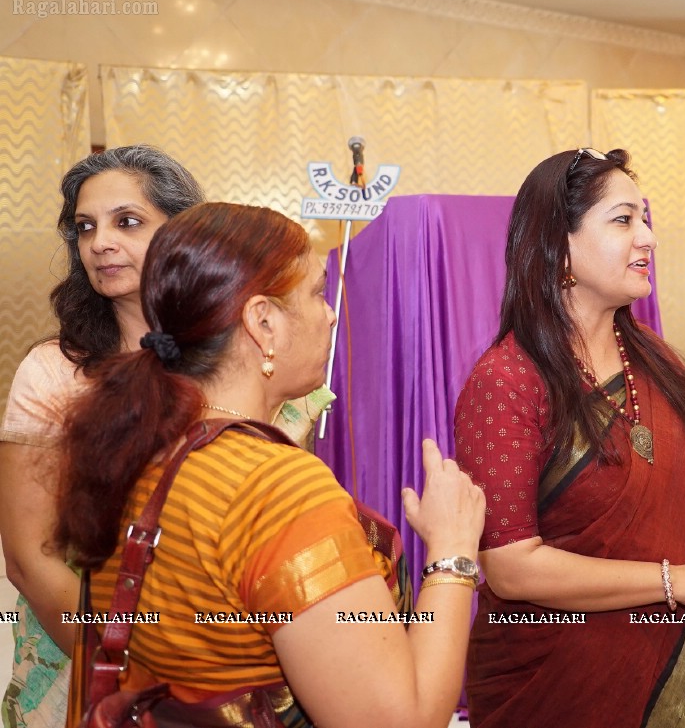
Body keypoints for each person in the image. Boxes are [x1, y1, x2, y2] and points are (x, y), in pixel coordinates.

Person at [54, 202, 485, 728]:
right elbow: (399, 720)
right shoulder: (274, 485)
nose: (330, 313)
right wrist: (453, 550)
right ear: (263, 323)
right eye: (317, 293)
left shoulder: (135, 449)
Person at [453, 147, 685, 728]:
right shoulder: (507, 381)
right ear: (559, 247)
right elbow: (511, 566)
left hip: (669, 658)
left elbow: (682, 491)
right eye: (623, 220)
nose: (649, 238)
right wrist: (678, 582)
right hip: (558, 679)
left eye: (645, 218)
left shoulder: (655, 357)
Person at [0, 146, 204, 728]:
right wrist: (130, 672)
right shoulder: (55, 372)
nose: (100, 243)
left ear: (183, 232)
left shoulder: (238, 355)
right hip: (82, 663)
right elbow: (28, 557)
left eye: (127, 222)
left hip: (220, 665)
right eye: (86, 228)